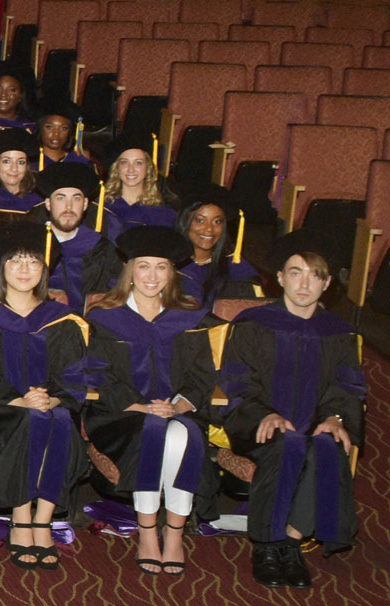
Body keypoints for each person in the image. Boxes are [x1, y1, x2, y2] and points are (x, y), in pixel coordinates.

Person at [221, 231, 364, 589]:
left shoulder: (338, 333)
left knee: (325, 446)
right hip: (258, 425)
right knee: (287, 443)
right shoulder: (253, 324)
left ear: (327, 284)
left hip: (313, 425)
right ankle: (267, 546)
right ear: (280, 278)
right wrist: (263, 413)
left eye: (315, 275)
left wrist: (334, 418)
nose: (304, 284)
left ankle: (291, 541)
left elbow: (347, 386)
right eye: (295, 273)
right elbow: (237, 382)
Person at [83, 225, 222, 577]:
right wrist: (144, 408)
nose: (152, 276)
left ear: (172, 273)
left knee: (178, 434)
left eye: (161, 267)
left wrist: (177, 406)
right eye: (143, 266)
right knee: (159, 432)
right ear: (129, 269)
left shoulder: (189, 317)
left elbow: (203, 378)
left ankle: (172, 534)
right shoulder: (105, 317)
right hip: (120, 417)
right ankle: (149, 533)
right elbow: (97, 375)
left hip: (179, 413)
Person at [0, 222, 91, 571]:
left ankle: (42, 520)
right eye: (15, 261)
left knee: (58, 418)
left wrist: (53, 400)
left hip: (47, 407)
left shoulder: (61, 320)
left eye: (33, 261)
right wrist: (18, 401)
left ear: (44, 270)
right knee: (30, 419)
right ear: (1, 268)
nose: (24, 269)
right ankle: (20, 517)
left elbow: (75, 375)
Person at [35, 163, 121, 307]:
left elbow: (115, 294)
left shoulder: (102, 249)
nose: (69, 207)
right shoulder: (32, 246)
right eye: (61, 198)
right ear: (48, 204)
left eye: (76, 198)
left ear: (85, 204)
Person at [176, 200, 264, 308]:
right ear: (185, 222)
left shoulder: (237, 270)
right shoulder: (167, 265)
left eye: (217, 222)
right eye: (200, 220)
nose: (209, 229)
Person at [98, 134, 179, 241]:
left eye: (138, 163)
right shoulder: (101, 208)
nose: (131, 169)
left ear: (148, 167)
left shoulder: (164, 213)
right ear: (117, 168)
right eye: (124, 162)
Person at [33, 99, 91, 167]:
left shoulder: (79, 162)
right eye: (49, 127)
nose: (56, 133)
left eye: (64, 128)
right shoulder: (29, 163)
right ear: (40, 128)